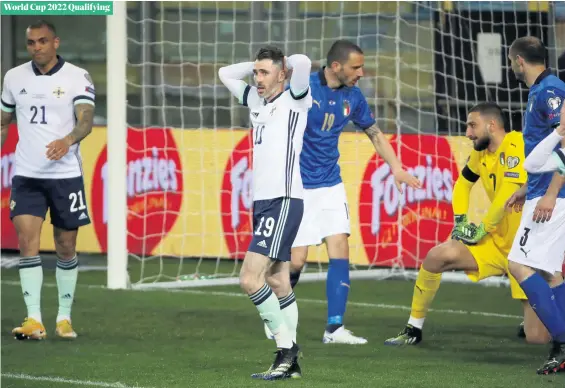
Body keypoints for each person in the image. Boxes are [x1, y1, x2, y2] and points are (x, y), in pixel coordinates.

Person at [264, 40, 421, 345]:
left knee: (340, 250)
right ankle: (274, 311)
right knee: (296, 262)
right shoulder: (303, 86)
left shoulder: (354, 96)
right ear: (336, 67)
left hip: (330, 184)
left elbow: (374, 133)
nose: (362, 72)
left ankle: (334, 329)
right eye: (356, 67)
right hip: (297, 185)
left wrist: (396, 167)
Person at [383, 102, 550, 346]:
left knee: (537, 339)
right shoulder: (481, 153)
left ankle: (542, 314)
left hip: (525, 248)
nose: (467, 133)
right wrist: (461, 221)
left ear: (492, 125)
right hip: (496, 242)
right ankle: (413, 329)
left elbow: (506, 196)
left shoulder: (516, 145)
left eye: (473, 125)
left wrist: (481, 229)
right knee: (436, 256)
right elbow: (463, 184)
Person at [218, 46, 311, 380]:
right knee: (277, 279)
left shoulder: (297, 100)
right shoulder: (256, 102)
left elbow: (303, 62)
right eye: (255, 73)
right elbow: (224, 73)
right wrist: (257, 65)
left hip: (284, 200)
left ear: (282, 74)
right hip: (264, 203)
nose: (257, 79)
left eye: (264, 73)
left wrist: (282, 65)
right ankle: (292, 364)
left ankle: (286, 350)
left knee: (249, 278)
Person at [1, 20, 95, 341]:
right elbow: (3, 122)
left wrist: (66, 140)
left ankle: (64, 318)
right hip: (27, 175)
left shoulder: (77, 77)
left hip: (65, 176)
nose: (36, 47)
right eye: (31, 43)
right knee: (27, 243)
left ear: (56, 42)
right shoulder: (14, 77)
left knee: (65, 247)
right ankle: (34, 319)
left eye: (42, 41)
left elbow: (86, 121)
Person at [505, 36, 565, 375]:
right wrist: (528, 187)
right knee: (549, 271)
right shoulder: (545, 89)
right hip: (543, 192)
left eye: (511, 61)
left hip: (552, 198)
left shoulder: (549, 91)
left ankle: (562, 340)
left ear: (517, 60)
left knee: (518, 265)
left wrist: (551, 192)